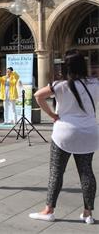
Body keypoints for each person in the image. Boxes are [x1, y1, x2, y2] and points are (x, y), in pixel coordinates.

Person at [29, 49, 99, 224]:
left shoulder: (59, 85)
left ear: (66, 67)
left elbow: (38, 95)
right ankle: (88, 213)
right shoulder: (95, 83)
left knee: (56, 171)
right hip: (89, 132)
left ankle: (49, 210)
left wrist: (52, 115)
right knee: (86, 172)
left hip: (64, 133)